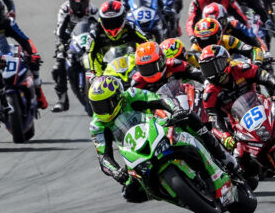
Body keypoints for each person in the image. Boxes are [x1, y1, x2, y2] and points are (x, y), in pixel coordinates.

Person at [87, 75, 238, 203]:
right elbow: (104, 157)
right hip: (134, 150)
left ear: (117, 98)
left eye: (103, 104)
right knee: (130, 193)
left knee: (188, 117)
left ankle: (222, 156)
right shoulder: (97, 125)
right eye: (95, 106)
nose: (100, 110)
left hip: (156, 127)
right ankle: (176, 195)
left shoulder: (130, 95)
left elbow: (160, 100)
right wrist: (116, 172)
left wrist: (176, 109)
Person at [0, 0, 48, 110]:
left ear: (2, 13)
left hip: (4, 48)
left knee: (33, 61)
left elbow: (24, 39)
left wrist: (33, 53)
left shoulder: (8, 22)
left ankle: (38, 91)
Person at [52, 0, 98, 112]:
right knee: (58, 66)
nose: (78, 7)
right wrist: (60, 44)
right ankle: (62, 100)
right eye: (75, 3)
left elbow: (100, 28)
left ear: (87, 2)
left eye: (81, 3)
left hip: (89, 39)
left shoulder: (93, 10)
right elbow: (59, 29)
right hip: (70, 39)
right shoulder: (65, 9)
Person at [89, 0, 150, 76]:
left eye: (115, 21)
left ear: (123, 18)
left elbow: (147, 43)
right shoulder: (95, 32)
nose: (112, 26)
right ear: (101, 21)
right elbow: (91, 54)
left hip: (133, 69)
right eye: (108, 22)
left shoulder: (130, 26)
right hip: (106, 72)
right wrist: (94, 74)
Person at [189, 17, 266, 66]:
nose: (207, 44)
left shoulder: (228, 40)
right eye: (202, 40)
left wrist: (257, 62)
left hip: (231, 74)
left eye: (210, 40)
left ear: (219, 35)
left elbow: (254, 50)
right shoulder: (193, 50)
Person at [131, 40, 203, 91]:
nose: (148, 72)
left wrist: (206, 84)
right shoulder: (137, 82)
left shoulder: (175, 64)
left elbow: (198, 74)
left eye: (151, 67)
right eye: (143, 69)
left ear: (161, 61)